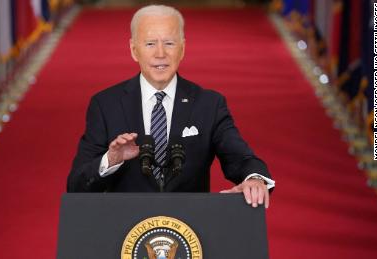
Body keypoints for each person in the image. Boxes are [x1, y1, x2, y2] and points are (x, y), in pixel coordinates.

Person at [67, 5, 275, 208]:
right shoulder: (105, 104)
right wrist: (110, 160)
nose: (160, 53)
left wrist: (255, 179)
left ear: (182, 48)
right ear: (133, 50)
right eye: (150, 44)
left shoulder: (209, 104)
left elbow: (241, 157)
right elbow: (76, 185)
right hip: (126, 232)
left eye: (169, 43)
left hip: (190, 232)